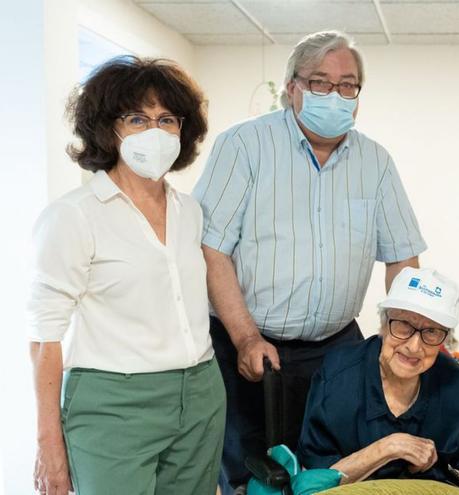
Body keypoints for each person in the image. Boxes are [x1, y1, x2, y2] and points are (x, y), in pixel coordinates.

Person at [192, 30, 426, 494]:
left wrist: (400, 334)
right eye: (320, 82)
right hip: (247, 345)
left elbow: (403, 257)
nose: (334, 95)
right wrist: (245, 337)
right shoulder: (243, 145)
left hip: (335, 347)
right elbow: (210, 248)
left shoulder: (375, 162)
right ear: (292, 87)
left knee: (334, 471)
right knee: (252, 475)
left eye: (347, 85)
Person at [28, 56, 224, 495]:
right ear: (107, 127)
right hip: (113, 404)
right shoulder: (72, 217)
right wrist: (49, 444)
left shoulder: (189, 211)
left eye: (167, 119)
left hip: (200, 394)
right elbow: (44, 339)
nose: (154, 132)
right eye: (137, 118)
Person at [297, 267, 459, 494]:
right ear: (384, 323)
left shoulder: (456, 386)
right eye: (403, 325)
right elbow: (316, 481)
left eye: (431, 331)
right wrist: (389, 447)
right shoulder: (338, 378)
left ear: (444, 339)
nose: (413, 347)